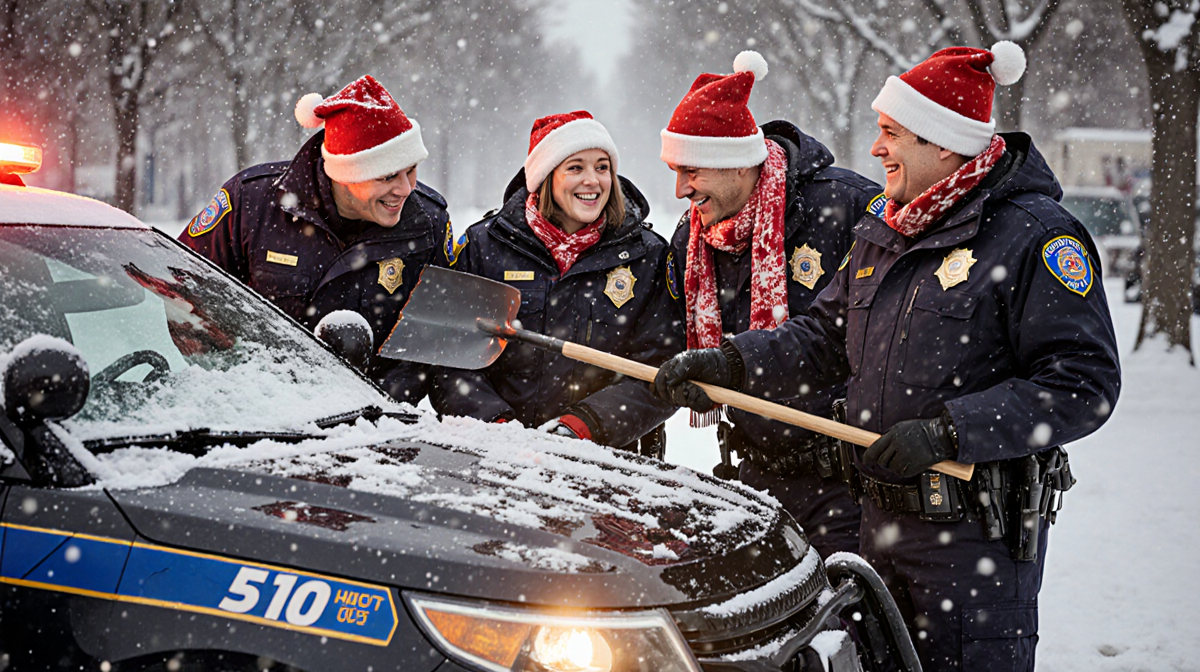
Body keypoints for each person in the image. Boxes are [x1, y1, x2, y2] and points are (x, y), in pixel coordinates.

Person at [654, 42, 1120, 670]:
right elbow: (820, 339)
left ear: (944, 143)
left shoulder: (1036, 235)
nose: (877, 149)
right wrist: (731, 363)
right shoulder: (886, 230)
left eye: (891, 133)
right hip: (874, 529)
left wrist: (950, 432)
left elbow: (1082, 384)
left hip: (971, 541)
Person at [659, 51, 882, 557]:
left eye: (691, 170)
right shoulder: (691, 239)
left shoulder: (846, 207)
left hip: (847, 483)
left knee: (842, 629)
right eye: (674, 170)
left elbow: (875, 332)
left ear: (737, 161)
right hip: (752, 475)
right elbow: (660, 338)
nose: (679, 190)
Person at [179, 75, 451, 405]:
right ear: (346, 173)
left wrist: (383, 402)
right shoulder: (251, 203)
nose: (405, 189)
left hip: (377, 425)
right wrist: (233, 384)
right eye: (388, 176)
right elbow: (183, 290)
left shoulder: (427, 222)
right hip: (258, 412)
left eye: (411, 170)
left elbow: (436, 334)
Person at [432, 111, 682, 455]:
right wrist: (495, 427)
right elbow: (449, 357)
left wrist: (584, 426)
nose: (593, 180)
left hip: (609, 463)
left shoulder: (647, 256)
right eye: (575, 167)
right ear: (545, 177)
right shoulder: (483, 247)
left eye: (602, 167)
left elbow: (662, 368)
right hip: (494, 461)